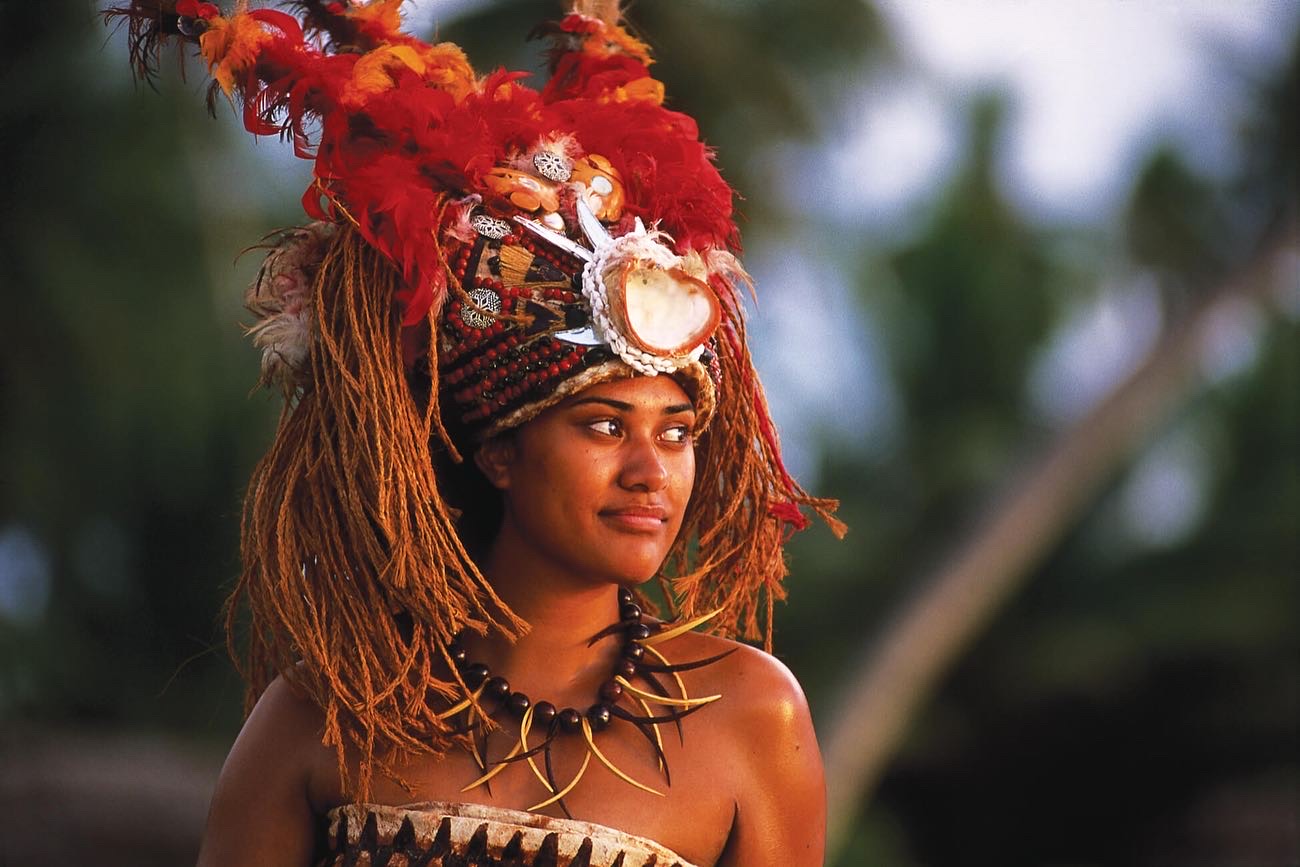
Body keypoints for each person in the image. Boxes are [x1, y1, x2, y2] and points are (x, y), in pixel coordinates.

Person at [110, 1, 842, 864]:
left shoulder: (754, 716)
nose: (652, 471)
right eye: (606, 425)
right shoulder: (329, 713)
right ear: (498, 447)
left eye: (677, 433)